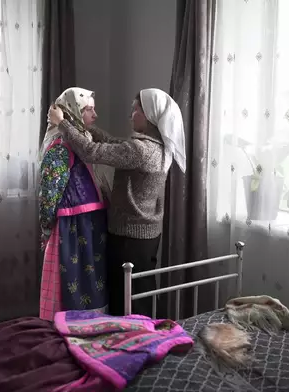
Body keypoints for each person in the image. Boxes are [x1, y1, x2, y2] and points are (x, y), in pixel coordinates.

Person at [48, 88, 186, 316]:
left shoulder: (141, 150)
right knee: (140, 293)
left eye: (135, 110)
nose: (131, 115)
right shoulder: (157, 147)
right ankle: (142, 337)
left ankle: (132, 343)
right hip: (146, 234)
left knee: (126, 300)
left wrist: (64, 124)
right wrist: (86, 128)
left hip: (129, 238)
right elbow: (115, 143)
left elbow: (92, 152)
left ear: (149, 115)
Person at [38, 87, 109, 321]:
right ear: (74, 113)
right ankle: (70, 329)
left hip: (89, 223)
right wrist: (47, 227)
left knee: (91, 282)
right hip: (72, 225)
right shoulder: (60, 145)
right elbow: (50, 192)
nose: (95, 115)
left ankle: (91, 327)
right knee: (72, 280)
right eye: (89, 110)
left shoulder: (82, 140)